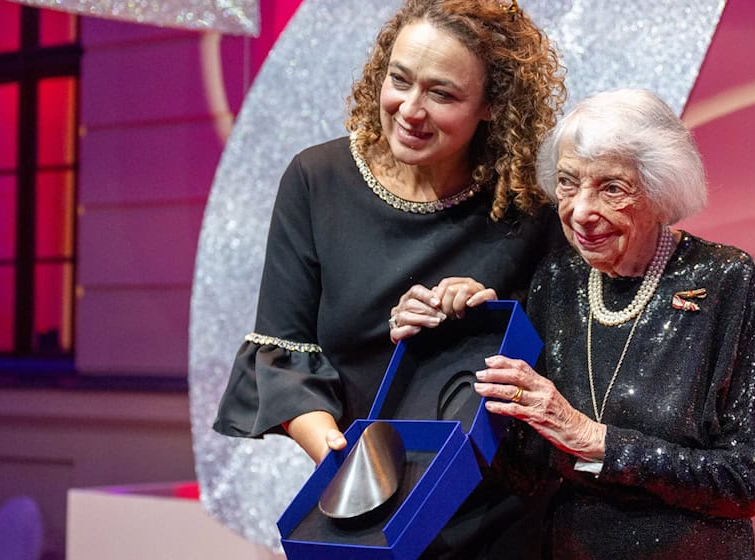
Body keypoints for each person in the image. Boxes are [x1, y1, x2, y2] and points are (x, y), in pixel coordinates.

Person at [212, 0, 565, 557]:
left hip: (500, 519)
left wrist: (493, 314)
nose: (410, 109)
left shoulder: (529, 200)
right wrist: (342, 455)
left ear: (493, 105)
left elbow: (563, 354)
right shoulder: (316, 180)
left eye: (442, 94)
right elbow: (283, 354)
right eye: (399, 80)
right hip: (363, 508)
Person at [469, 89, 755, 558]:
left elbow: (744, 482)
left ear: (660, 191)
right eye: (568, 184)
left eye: (611, 188)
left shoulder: (721, 278)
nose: (580, 211)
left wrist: (598, 442)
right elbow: (525, 469)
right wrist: (465, 327)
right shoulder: (557, 276)